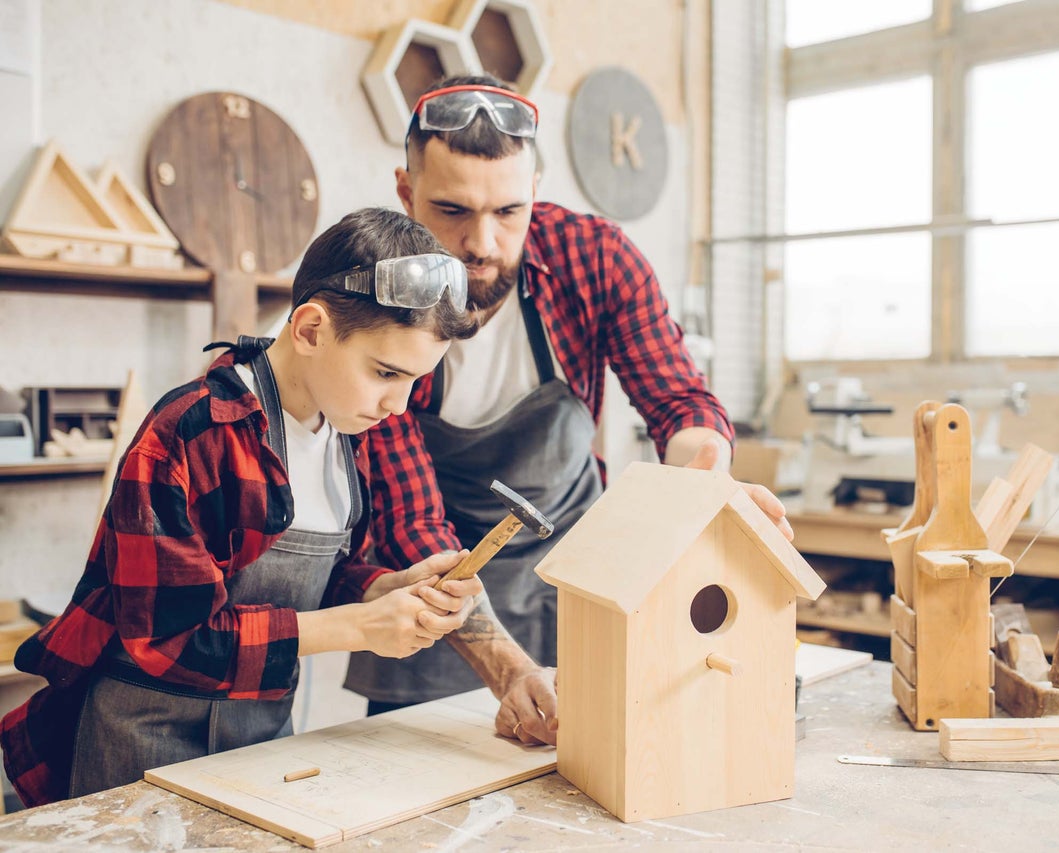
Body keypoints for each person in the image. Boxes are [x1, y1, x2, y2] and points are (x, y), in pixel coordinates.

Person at [344, 75, 793, 745]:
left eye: (508, 212)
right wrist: (508, 671)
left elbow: (677, 399)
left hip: (578, 577)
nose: (483, 243)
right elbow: (411, 520)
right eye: (452, 211)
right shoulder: (375, 295)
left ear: (536, 193)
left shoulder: (593, 257)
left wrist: (703, 479)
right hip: (436, 592)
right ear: (406, 193)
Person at [1, 207, 485, 807]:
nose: (398, 404)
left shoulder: (341, 435)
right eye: (386, 372)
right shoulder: (189, 434)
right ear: (310, 330)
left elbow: (314, 576)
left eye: (415, 379)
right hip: (142, 740)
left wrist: (379, 590)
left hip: (260, 741)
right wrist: (356, 628)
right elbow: (169, 639)